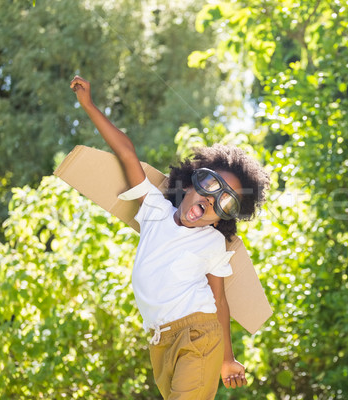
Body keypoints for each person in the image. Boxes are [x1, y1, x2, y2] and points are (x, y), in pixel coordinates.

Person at [70, 75, 269, 399]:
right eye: (210, 186)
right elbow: (126, 152)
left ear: (222, 219)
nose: (210, 201)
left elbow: (219, 300)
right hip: (159, 343)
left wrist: (227, 358)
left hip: (198, 336)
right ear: (190, 183)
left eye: (226, 202)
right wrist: (89, 106)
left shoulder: (211, 242)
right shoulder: (153, 209)